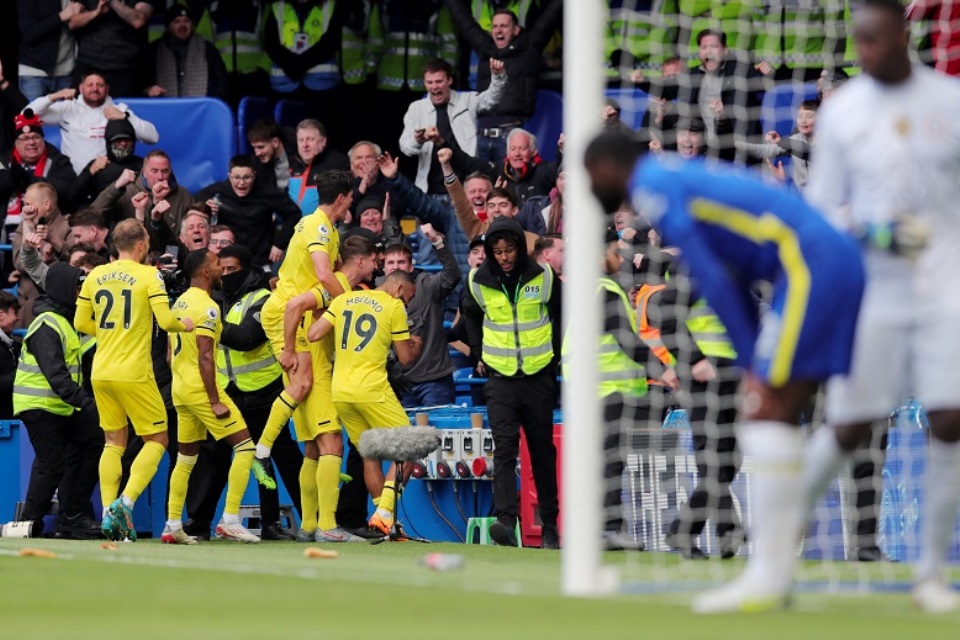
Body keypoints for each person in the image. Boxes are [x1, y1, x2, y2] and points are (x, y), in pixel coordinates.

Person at [585, 131, 865, 612]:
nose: (590, 187)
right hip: (823, 260)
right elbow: (728, 275)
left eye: (591, 175)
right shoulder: (675, 176)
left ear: (611, 166)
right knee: (830, 416)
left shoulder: (654, 185)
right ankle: (772, 559)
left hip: (807, 264)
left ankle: (767, 572)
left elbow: (711, 276)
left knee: (771, 410)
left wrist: (752, 361)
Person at [803, 0, 960, 613]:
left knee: (950, 418)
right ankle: (772, 554)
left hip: (944, 289)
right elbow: (822, 213)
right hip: (876, 291)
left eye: (876, 39)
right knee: (849, 427)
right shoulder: (844, 114)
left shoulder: (948, 101)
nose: (866, 52)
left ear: (904, 32)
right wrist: (876, 231)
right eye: (859, 41)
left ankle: (930, 572)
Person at [74, 218, 195, 542]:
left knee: (113, 443)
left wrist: (112, 332)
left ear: (115, 244)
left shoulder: (96, 274)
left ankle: (110, 517)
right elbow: (166, 320)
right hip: (135, 372)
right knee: (157, 440)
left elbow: (80, 321)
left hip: (101, 370)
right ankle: (124, 505)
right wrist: (185, 323)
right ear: (141, 245)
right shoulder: (148, 275)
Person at [563, 228, 674, 551]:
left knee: (603, 460)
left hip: (590, 387)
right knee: (610, 460)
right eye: (615, 250)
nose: (620, 256)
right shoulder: (604, 289)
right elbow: (628, 341)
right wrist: (663, 371)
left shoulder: (591, 288)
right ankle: (607, 529)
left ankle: (602, 527)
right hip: (605, 387)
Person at [463, 215, 562, 549]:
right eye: (498, 251)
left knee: (542, 455)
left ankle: (550, 527)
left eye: (510, 250)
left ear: (521, 247)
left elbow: (561, 314)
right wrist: (477, 352)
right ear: (490, 252)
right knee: (504, 451)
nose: (504, 256)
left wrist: (556, 356)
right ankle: (506, 522)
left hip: (538, 380)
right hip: (500, 381)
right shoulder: (478, 280)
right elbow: (470, 317)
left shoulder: (544, 276)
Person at [276, 236, 380, 542]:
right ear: (360, 261)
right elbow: (295, 304)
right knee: (333, 446)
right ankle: (327, 526)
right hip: (317, 375)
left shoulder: (342, 289)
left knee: (312, 451)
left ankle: (309, 525)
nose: (378, 266)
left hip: (308, 372)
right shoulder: (335, 286)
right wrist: (288, 350)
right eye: (375, 260)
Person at [307, 269, 423, 536]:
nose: (407, 304)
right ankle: (384, 512)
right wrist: (416, 343)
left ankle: (385, 524)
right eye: (408, 298)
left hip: (341, 390)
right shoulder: (393, 307)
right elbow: (405, 359)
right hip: (371, 388)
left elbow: (314, 334)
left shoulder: (344, 299)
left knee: (369, 455)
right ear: (399, 289)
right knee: (411, 447)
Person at [162, 249, 262, 544]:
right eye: (218, 265)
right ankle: (230, 519)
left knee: (185, 458)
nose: (222, 269)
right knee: (245, 447)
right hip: (201, 389)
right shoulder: (206, 307)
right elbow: (206, 357)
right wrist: (214, 399)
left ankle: (172, 525)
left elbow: (169, 355)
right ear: (206, 272)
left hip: (180, 388)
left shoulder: (179, 302)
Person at [255, 170, 351, 469]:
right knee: (303, 382)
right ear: (340, 198)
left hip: (298, 313)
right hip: (287, 312)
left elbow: (329, 271)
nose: (351, 203)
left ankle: (321, 484)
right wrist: (350, 306)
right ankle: (261, 451)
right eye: (350, 198)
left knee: (313, 435)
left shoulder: (329, 230)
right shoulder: (317, 226)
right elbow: (324, 275)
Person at [13, 262, 103, 540]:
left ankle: (73, 514)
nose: (81, 293)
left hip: (61, 405)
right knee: (51, 463)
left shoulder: (67, 319)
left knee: (95, 439)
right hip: (39, 406)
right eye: (77, 287)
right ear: (65, 288)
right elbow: (56, 375)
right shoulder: (47, 323)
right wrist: (86, 403)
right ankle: (29, 523)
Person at [442, 0, 563, 163]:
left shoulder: (529, 46)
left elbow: (550, 15)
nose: (498, 30)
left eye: (504, 26)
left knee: (508, 187)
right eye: (495, 26)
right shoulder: (485, 48)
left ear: (516, 30)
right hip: (480, 136)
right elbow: (464, 21)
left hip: (510, 137)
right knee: (479, 186)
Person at [399, 57, 505, 195]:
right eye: (429, 82)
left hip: (466, 191)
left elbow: (492, 100)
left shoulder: (467, 100)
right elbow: (405, 147)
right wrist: (418, 140)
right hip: (431, 192)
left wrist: (498, 77)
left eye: (439, 81)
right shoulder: (416, 108)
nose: (434, 87)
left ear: (449, 80)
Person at [25, 69, 159, 174]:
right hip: (73, 179)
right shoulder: (67, 107)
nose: (95, 89)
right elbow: (26, 116)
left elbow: (153, 137)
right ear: (81, 88)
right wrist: (53, 97)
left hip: (107, 178)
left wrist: (125, 117)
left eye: (100, 85)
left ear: (107, 89)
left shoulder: (119, 109)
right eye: (90, 85)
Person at [382, 233, 461, 408]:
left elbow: (453, 275)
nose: (396, 267)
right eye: (391, 263)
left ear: (411, 267)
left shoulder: (427, 286)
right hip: (399, 383)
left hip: (434, 380)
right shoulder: (375, 296)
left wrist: (438, 243)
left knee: (437, 435)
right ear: (384, 268)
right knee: (402, 436)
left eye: (401, 262)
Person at [197, 154, 301, 269]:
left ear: (254, 175)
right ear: (229, 176)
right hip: (226, 262)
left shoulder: (267, 192)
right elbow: (194, 207)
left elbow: (294, 214)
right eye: (236, 177)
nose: (241, 183)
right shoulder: (217, 192)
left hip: (260, 261)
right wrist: (205, 207)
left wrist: (280, 244)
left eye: (247, 177)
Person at [90, 149, 192, 241]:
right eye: (154, 171)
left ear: (170, 172)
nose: (160, 177)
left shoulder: (183, 195)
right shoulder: (128, 192)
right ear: (145, 172)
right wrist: (116, 186)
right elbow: (94, 214)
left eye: (165, 171)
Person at [12, 182, 73, 328]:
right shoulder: (23, 226)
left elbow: (77, 259)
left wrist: (53, 241)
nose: (25, 209)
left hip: (58, 306)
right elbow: (20, 264)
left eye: (29, 204)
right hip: (26, 307)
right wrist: (28, 224)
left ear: (46, 204)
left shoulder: (69, 225)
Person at [1, 109, 79, 218]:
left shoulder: (59, 161)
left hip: (47, 228)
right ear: (16, 143)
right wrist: (11, 179)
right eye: (25, 138)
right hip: (7, 228)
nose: (31, 142)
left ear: (43, 140)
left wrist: (32, 180)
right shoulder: (4, 161)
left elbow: (70, 189)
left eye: (36, 137)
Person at [143, 3, 229, 99]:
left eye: (187, 21)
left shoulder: (207, 49)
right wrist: (148, 89)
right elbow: (140, 83)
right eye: (177, 21)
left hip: (201, 109)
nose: (183, 25)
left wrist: (211, 98)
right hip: (164, 108)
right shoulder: (154, 50)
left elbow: (222, 83)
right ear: (168, 26)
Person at [71, 0, 155, 99]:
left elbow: (138, 20)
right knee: (82, 111)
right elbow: (73, 22)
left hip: (125, 68)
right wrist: (96, 13)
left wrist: (112, 2)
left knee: (122, 111)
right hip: (88, 64)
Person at [16, 0, 85, 102]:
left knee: (65, 117)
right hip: (34, 72)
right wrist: (61, 16)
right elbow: (28, 33)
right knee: (32, 117)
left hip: (66, 72)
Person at [73, 116, 144, 207]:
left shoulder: (143, 164)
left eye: (127, 140)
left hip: (135, 216)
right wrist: (89, 172)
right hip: (102, 217)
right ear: (109, 142)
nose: (123, 143)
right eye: (118, 140)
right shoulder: (98, 165)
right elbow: (72, 197)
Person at [288, 119, 350, 215]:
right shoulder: (292, 163)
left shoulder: (338, 163)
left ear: (323, 141)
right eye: (301, 140)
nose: (305, 145)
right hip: (292, 226)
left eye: (310, 139)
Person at [248, 118, 297, 191]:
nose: (257, 153)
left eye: (261, 147)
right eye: (254, 148)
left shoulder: (299, 152)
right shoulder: (256, 163)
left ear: (275, 142)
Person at [0, 292, 20, 421]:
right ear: (1, 315)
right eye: (15, 313)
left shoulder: (15, 344)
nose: (18, 318)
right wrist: (20, 375)